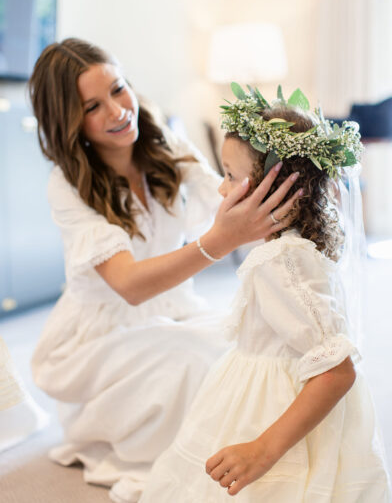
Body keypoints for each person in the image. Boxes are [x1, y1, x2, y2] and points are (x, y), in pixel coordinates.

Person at [28, 39, 301, 503]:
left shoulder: (162, 140)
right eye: (94, 106)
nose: (118, 111)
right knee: (195, 359)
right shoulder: (67, 186)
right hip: (100, 336)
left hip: (172, 307)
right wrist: (219, 242)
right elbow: (130, 286)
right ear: (69, 122)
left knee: (251, 352)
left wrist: (289, 195)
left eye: (118, 89)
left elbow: (223, 192)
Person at [139, 84, 390, 502]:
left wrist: (262, 449)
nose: (222, 190)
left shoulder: (280, 261)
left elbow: (337, 370)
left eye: (232, 177)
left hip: (277, 407)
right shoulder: (292, 249)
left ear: (282, 188)